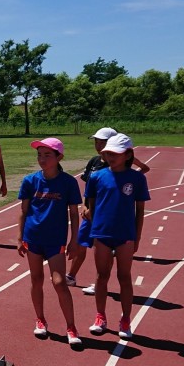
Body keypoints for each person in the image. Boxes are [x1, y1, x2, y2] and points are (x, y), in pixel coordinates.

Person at [17, 138, 84, 346]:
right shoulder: (30, 181)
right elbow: (24, 211)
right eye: (39, 155)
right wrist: (20, 237)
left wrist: (74, 240)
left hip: (55, 240)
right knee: (36, 280)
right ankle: (40, 319)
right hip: (33, 237)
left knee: (59, 282)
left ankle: (71, 327)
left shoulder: (68, 183)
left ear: (59, 157)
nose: (42, 159)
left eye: (47, 155)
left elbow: (74, 214)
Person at [83, 133, 151, 339]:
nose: (110, 157)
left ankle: (125, 319)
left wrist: (137, 237)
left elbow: (140, 211)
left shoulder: (137, 178)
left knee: (124, 276)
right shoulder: (97, 177)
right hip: (102, 233)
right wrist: (93, 226)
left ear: (128, 154)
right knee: (101, 275)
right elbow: (90, 206)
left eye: (115, 153)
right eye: (107, 153)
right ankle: (100, 316)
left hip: (125, 234)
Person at [69, 127, 151, 293]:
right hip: (92, 213)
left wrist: (128, 181)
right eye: (96, 141)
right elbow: (88, 188)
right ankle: (71, 275)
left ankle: (98, 282)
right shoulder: (94, 162)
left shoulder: (120, 161)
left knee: (106, 249)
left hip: (110, 215)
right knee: (81, 244)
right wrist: (86, 206)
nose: (98, 145)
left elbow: (143, 168)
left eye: (102, 142)